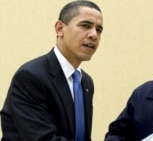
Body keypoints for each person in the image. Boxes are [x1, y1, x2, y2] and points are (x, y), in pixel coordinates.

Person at [1, 0, 103, 141]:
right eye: (85, 26)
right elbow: (42, 139)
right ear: (59, 28)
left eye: (99, 29)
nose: (94, 35)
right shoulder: (30, 77)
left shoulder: (85, 82)